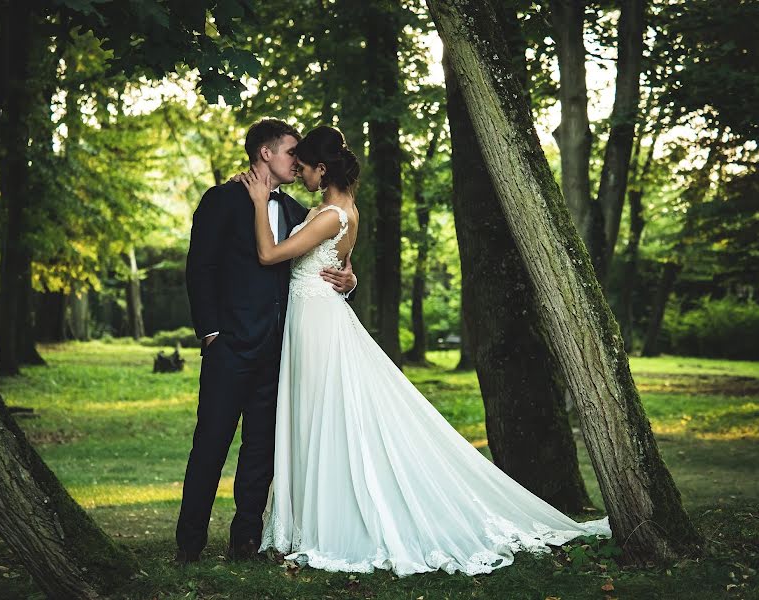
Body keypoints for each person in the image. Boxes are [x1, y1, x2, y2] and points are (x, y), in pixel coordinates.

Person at [238, 125, 611, 576]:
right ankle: (310, 519)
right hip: (314, 317)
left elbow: (269, 255)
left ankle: (328, 523)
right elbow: (340, 266)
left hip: (317, 323)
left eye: (303, 167)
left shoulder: (330, 215)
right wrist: (350, 280)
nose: (298, 173)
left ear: (322, 169)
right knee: (319, 415)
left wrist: (259, 202)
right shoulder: (343, 212)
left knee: (324, 417)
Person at [175, 119, 358, 565]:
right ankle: (190, 543)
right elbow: (201, 268)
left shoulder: (299, 212)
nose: (299, 162)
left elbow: (323, 260)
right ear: (265, 154)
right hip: (230, 345)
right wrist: (211, 332)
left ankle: (246, 540)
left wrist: (350, 279)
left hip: (282, 350)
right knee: (211, 443)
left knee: (262, 448)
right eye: (291, 152)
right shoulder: (221, 200)